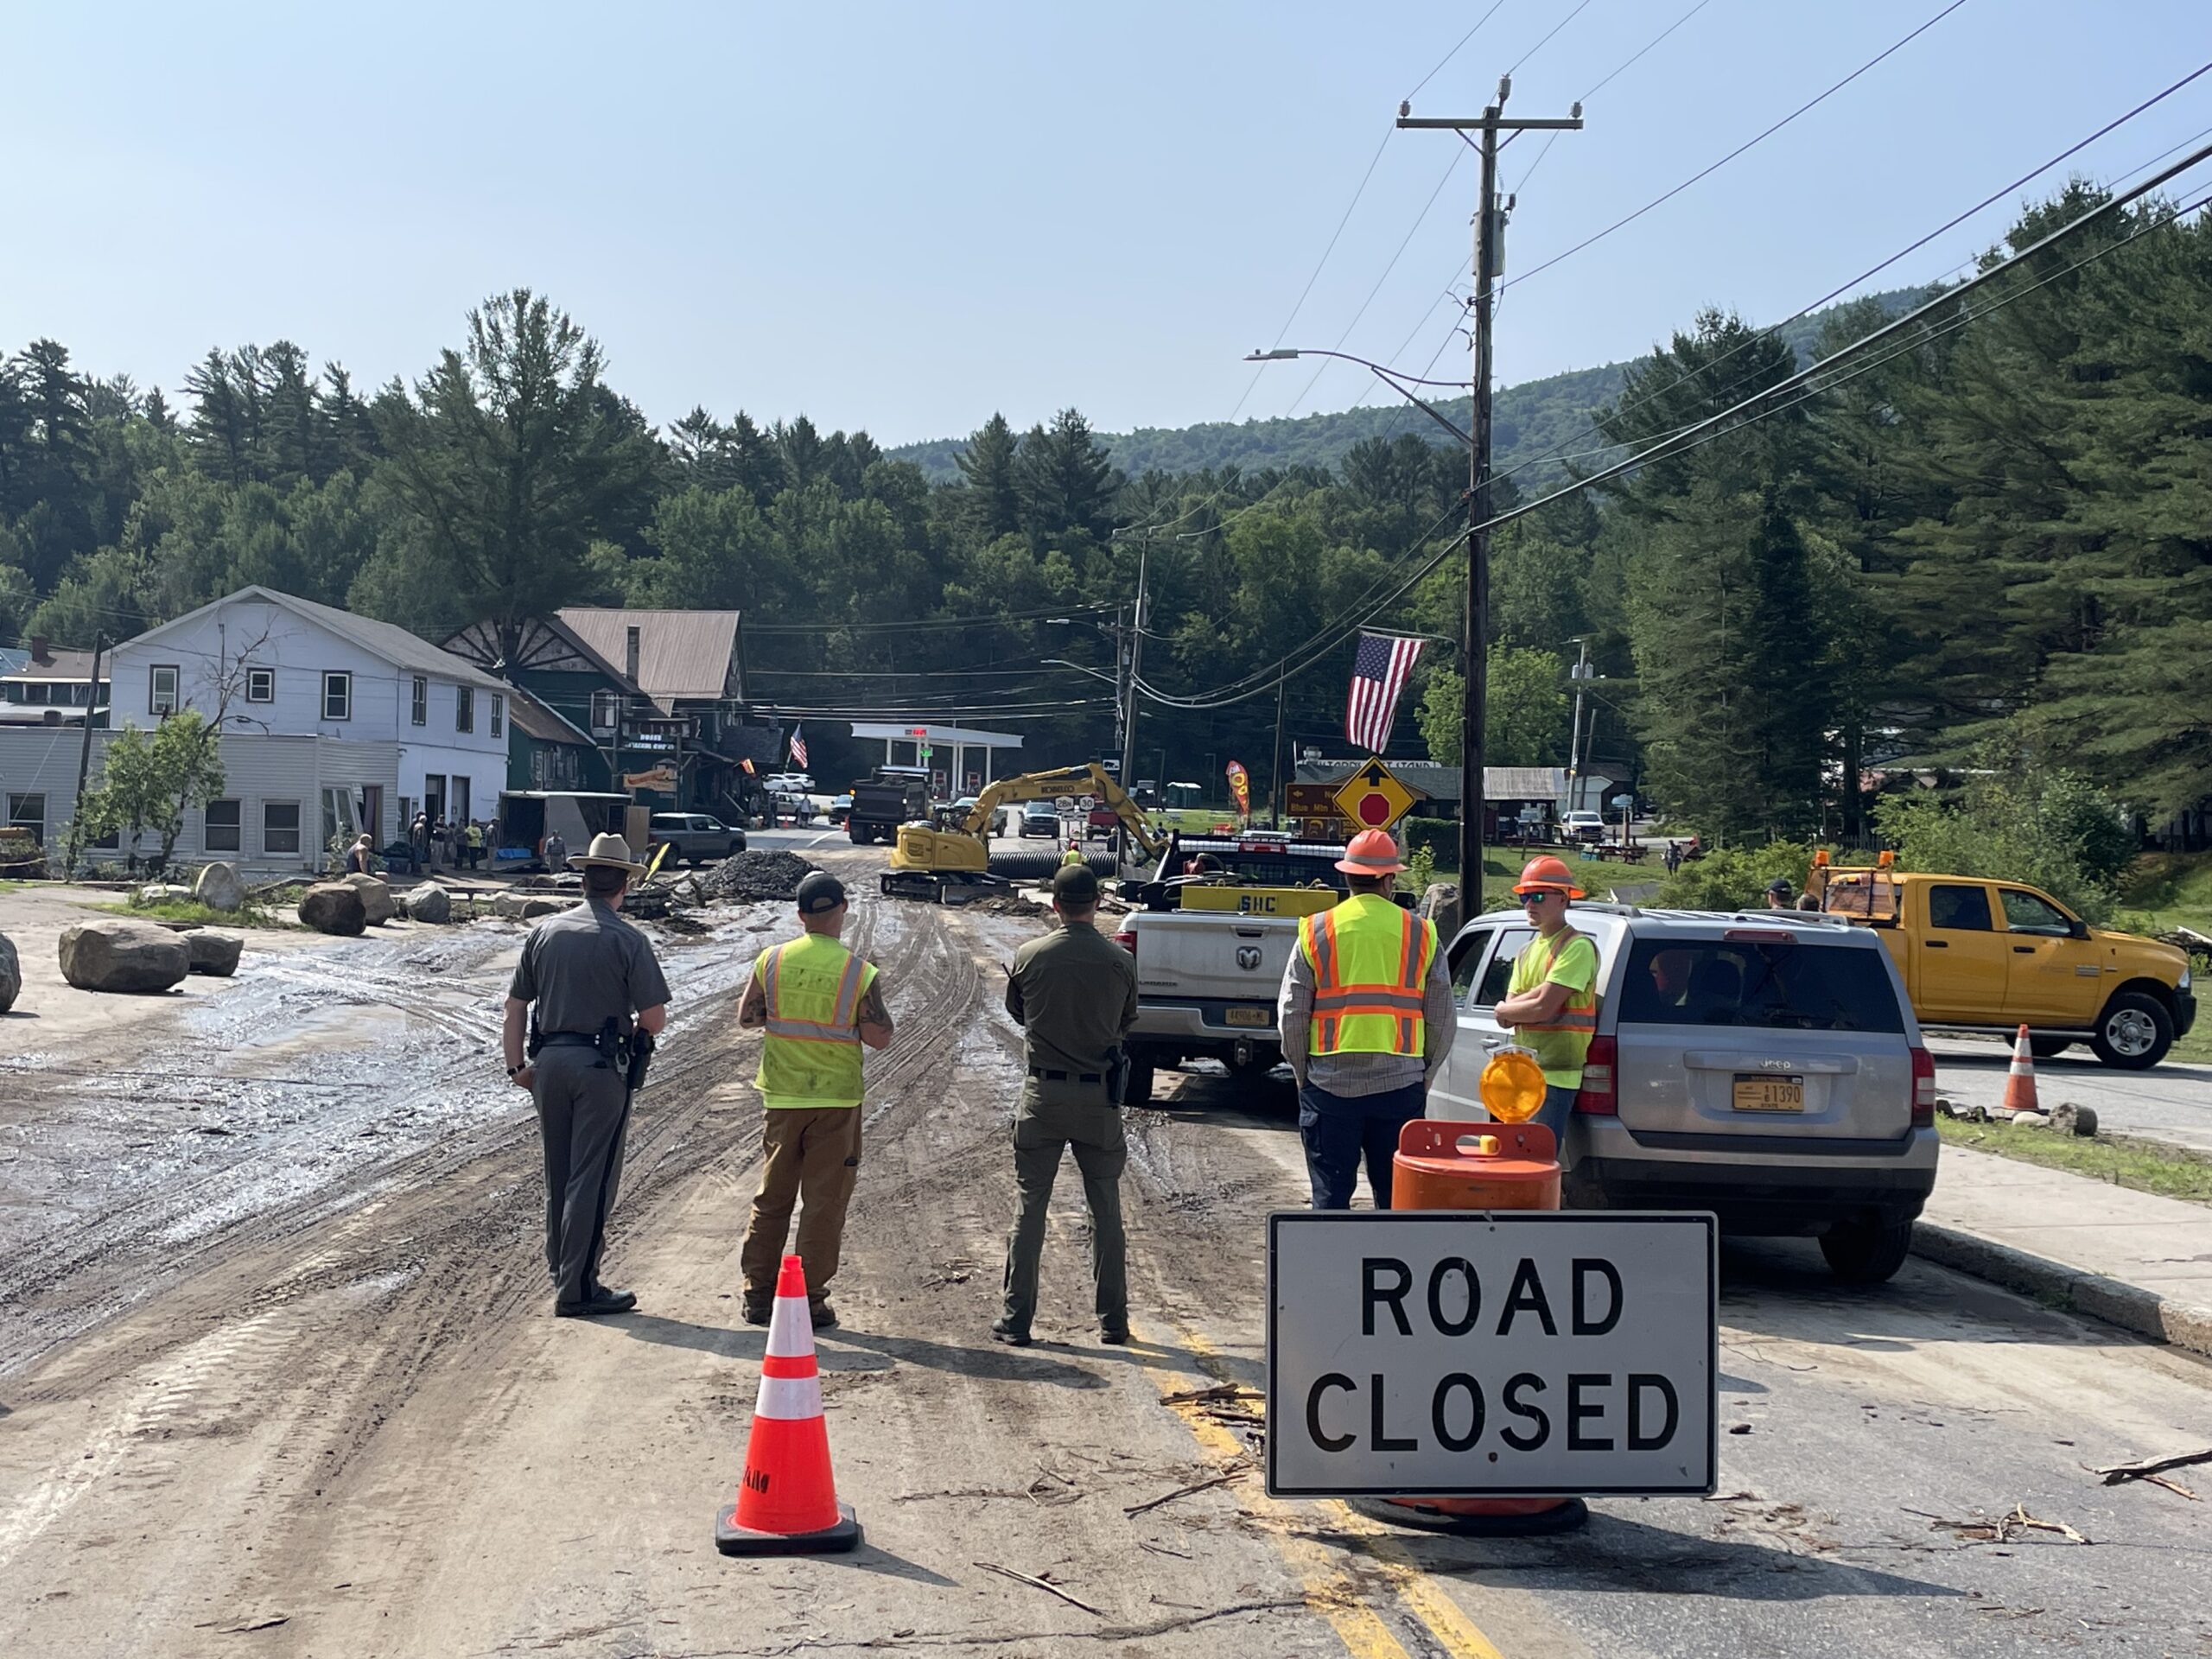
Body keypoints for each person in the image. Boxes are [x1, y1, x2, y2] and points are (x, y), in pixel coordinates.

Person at [501, 833, 671, 1318]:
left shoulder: (545, 932)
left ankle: (563, 1271)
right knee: (591, 1179)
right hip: (600, 1068)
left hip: (548, 1063)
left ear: (583, 881)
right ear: (624, 886)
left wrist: (518, 1068)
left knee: (559, 1174)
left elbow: (515, 1008)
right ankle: (578, 1288)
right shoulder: (628, 940)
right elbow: (654, 1017)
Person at [736, 871, 893, 1330]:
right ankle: (809, 1300)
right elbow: (880, 1037)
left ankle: (759, 1295)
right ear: (842, 909)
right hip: (837, 1100)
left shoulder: (771, 960)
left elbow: (747, 1017)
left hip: (782, 1098)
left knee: (773, 1196)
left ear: (801, 915)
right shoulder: (857, 972)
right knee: (824, 1203)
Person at [995, 862, 1138, 1347]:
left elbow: (1018, 1012)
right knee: (1106, 1211)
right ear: (1097, 903)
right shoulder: (1120, 961)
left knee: (1030, 1207)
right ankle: (1113, 1322)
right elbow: (1126, 1020)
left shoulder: (1029, 955)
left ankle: (1017, 1320)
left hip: (1043, 1095)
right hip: (1098, 1098)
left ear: (1055, 904)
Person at [1277, 829, 1454, 1211]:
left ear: (1347, 876)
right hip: (1400, 1085)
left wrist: (1301, 1073)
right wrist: (1425, 1074)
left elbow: (1292, 1013)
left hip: (1329, 1085)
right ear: (1390, 878)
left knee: (1330, 1198)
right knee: (1397, 1201)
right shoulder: (1421, 932)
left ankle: (1332, 1270)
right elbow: (1441, 1017)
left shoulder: (1316, 929)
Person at [1493, 855, 1601, 1136]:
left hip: (1557, 1075)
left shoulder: (1576, 946)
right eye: (1525, 897)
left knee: (1537, 1162)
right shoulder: (1527, 951)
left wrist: (1508, 1008)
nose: (1530, 904)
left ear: (1564, 899)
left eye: (1538, 896)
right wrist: (1521, 1004)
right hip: (1522, 1072)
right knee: (1512, 1161)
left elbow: (1542, 1008)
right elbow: (1513, 1013)